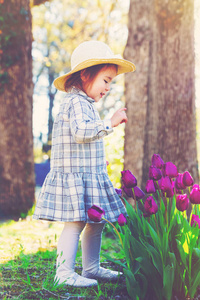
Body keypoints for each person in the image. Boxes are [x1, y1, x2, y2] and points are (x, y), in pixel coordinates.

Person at [33, 40, 136, 287]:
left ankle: (91, 268)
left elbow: (86, 138)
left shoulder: (85, 103)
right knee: (76, 222)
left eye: (110, 82)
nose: (108, 87)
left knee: (96, 221)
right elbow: (80, 131)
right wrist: (109, 123)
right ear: (86, 75)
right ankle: (64, 272)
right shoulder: (76, 102)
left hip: (88, 173)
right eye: (106, 80)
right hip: (75, 176)